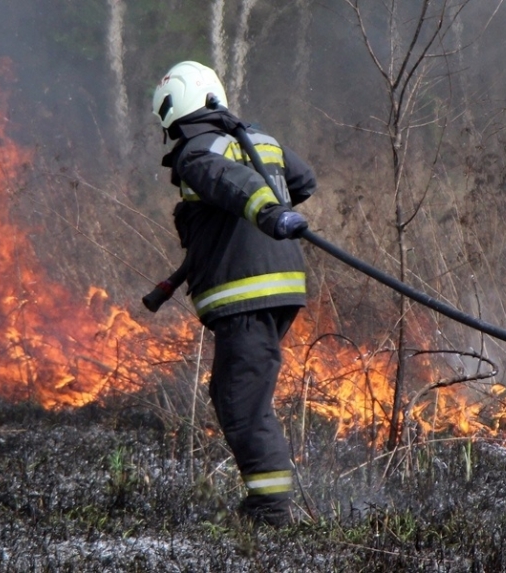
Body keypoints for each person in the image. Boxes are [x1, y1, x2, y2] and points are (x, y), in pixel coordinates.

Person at [149, 61, 317, 527]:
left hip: (246, 293)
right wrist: (272, 209)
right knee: (231, 392)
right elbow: (302, 181)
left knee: (242, 402)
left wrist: (264, 211)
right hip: (281, 286)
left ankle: (270, 512)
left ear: (173, 109)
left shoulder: (196, 153)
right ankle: (267, 505)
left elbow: (233, 183)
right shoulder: (258, 138)